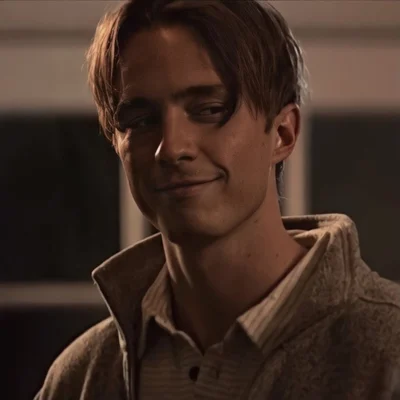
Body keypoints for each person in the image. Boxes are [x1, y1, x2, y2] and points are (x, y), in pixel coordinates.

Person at [35, 0, 400, 399]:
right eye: (141, 120)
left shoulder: (387, 353)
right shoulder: (81, 378)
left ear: (283, 134)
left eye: (209, 110)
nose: (171, 148)